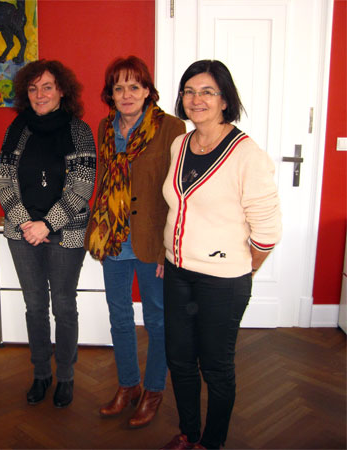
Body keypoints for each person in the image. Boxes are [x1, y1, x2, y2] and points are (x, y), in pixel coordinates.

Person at [160, 60, 282, 450]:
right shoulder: (180, 144)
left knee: (215, 366)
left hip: (223, 282)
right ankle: (189, 432)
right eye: (189, 91)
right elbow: (180, 207)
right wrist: (171, 253)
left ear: (225, 100)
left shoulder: (247, 155)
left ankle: (211, 443)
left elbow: (267, 231)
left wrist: (241, 266)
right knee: (179, 360)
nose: (196, 99)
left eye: (207, 92)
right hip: (177, 272)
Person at [85, 56, 185, 428]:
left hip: (152, 240)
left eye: (134, 86)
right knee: (119, 316)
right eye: (119, 88)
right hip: (114, 236)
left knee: (157, 320)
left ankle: (153, 391)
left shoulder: (171, 127)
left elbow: (178, 192)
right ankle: (128, 385)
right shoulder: (105, 127)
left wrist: (167, 248)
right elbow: (106, 181)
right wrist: (99, 229)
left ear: (147, 91)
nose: (126, 94)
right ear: (110, 94)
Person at [0, 60, 96, 408]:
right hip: (21, 232)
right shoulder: (17, 128)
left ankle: (65, 376)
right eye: (33, 88)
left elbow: (82, 185)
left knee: (64, 306)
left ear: (62, 90)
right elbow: (3, 178)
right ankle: (41, 373)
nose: (40, 94)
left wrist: (47, 224)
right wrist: (25, 222)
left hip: (66, 233)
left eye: (47, 87)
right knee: (35, 306)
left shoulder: (79, 130)